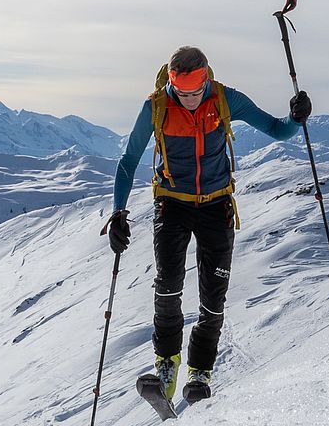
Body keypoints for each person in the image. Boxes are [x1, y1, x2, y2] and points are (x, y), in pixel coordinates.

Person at [103, 46, 311, 404]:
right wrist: (118, 212)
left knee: (213, 297)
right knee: (167, 285)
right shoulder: (155, 107)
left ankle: (200, 372)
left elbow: (278, 131)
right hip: (172, 204)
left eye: (195, 92)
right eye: (181, 93)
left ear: (206, 80)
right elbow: (128, 160)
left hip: (216, 206)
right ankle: (167, 363)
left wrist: (296, 118)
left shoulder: (225, 100)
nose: (188, 100)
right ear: (171, 84)